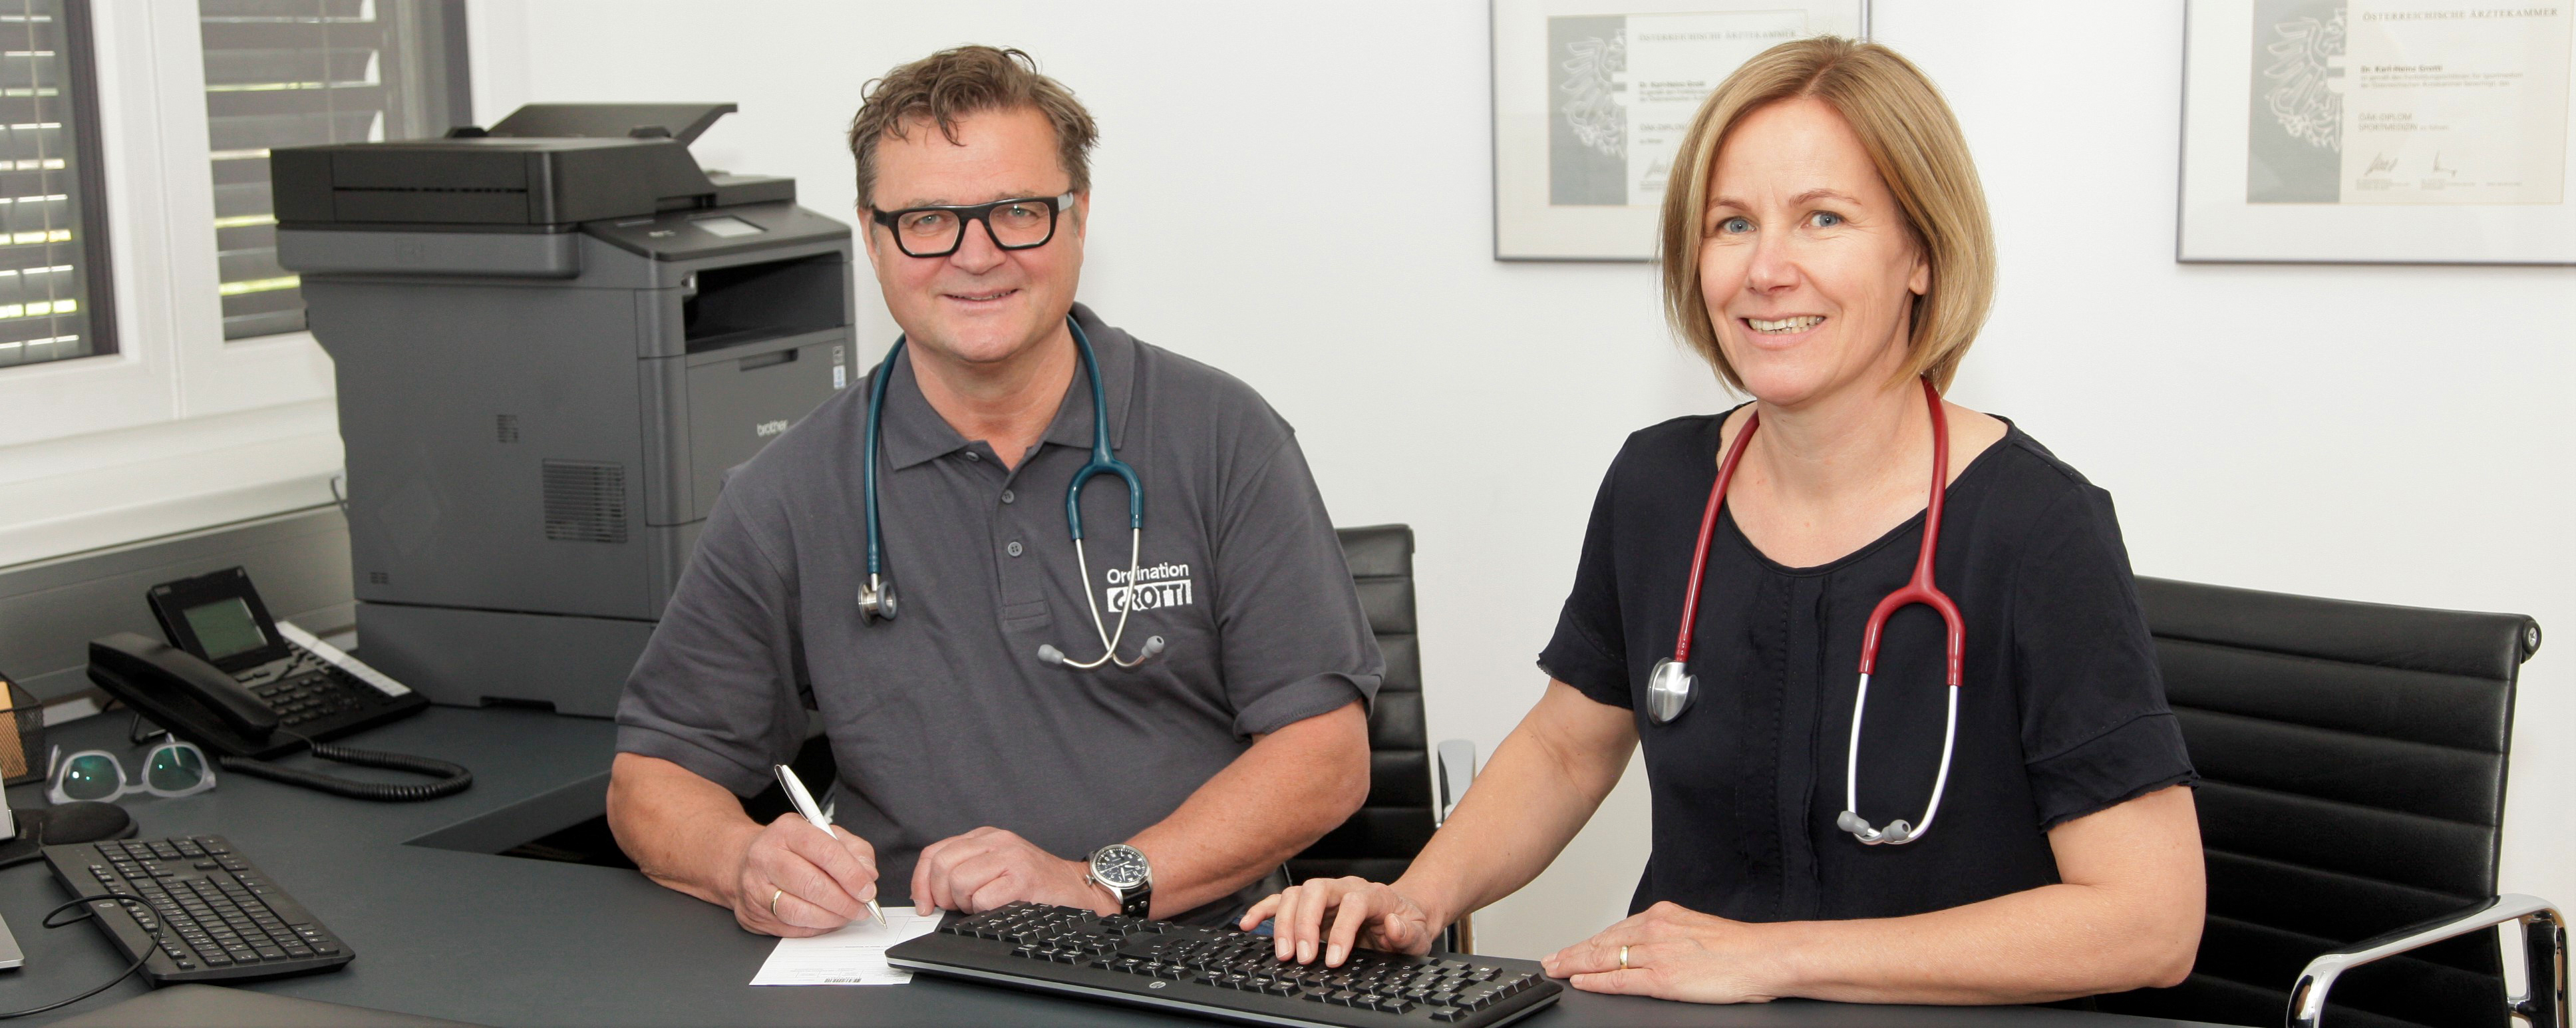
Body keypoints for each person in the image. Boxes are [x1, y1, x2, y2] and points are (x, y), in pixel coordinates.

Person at [1247, 37, 2203, 1005]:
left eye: (1823, 218)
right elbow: (1567, 750)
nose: (1767, 268)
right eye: (1732, 224)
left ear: (1920, 252)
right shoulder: (1659, 487)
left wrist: (1775, 956)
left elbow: (2151, 920)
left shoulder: (2039, 528)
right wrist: (1414, 899)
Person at [607, 46, 1381, 938]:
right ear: (873, 237)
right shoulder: (788, 491)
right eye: (928, 219)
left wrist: (1095, 883)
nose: (976, 256)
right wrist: (742, 859)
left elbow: (1326, 757)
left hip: (1191, 951)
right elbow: (651, 781)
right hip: (919, 961)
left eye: (1017, 212)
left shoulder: (1222, 436)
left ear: (1078, 216)